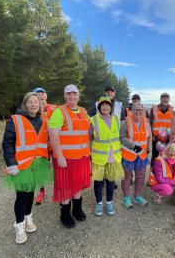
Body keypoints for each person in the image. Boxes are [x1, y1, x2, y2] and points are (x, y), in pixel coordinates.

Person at [2, 92, 53, 244]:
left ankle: (28, 217)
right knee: (22, 196)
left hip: (38, 164)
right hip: (21, 165)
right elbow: (7, 143)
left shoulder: (44, 121)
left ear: (40, 104)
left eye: (36, 102)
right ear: (25, 104)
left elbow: (47, 141)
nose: (33, 104)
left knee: (31, 193)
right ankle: (19, 225)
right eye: (30, 102)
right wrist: (11, 164)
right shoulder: (15, 120)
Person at [48, 84, 91, 228]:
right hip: (65, 158)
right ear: (64, 96)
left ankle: (77, 209)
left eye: (74, 93)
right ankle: (65, 214)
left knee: (77, 183)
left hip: (82, 156)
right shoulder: (59, 112)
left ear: (78, 96)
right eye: (69, 94)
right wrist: (59, 156)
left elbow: (89, 130)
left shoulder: (84, 111)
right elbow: (53, 134)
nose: (72, 96)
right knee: (65, 186)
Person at [90, 96, 124, 216]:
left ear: (111, 107)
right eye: (102, 105)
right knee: (98, 182)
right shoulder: (93, 120)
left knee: (110, 181)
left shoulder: (117, 119)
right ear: (99, 107)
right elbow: (89, 139)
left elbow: (121, 138)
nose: (105, 107)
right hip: (98, 157)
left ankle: (109, 203)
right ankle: (99, 203)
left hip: (113, 157)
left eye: (107, 105)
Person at [120, 102, 152, 208]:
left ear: (143, 111)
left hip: (142, 155)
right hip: (128, 154)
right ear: (132, 111)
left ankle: (138, 196)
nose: (138, 112)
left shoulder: (146, 122)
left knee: (141, 176)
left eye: (140, 110)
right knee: (127, 177)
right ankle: (126, 198)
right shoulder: (126, 122)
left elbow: (149, 136)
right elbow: (121, 137)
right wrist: (133, 146)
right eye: (135, 110)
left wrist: (149, 148)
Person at [33, 87, 57, 204]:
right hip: (41, 145)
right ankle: (42, 192)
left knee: (59, 167)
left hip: (55, 143)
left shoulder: (55, 108)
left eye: (42, 93)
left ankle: (59, 189)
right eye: (37, 94)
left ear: (46, 96)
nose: (40, 96)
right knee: (41, 170)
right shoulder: (33, 111)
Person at [149, 92, 173, 166]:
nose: (165, 99)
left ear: (169, 99)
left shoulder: (172, 109)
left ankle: (164, 173)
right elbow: (150, 123)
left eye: (166, 98)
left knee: (166, 156)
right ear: (160, 99)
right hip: (156, 137)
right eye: (163, 98)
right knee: (155, 156)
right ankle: (153, 173)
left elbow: (174, 123)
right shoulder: (153, 109)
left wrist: (172, 135)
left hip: (168, 137)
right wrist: (152, 135)